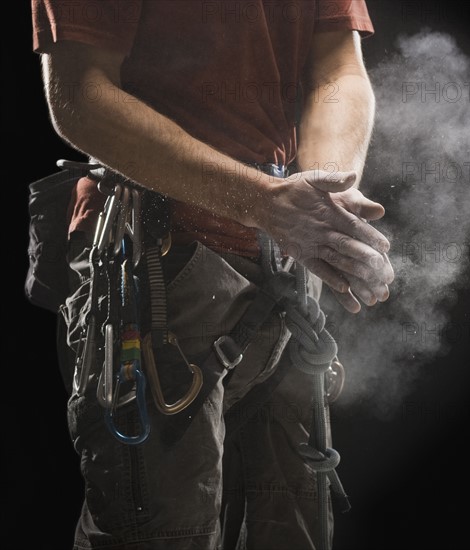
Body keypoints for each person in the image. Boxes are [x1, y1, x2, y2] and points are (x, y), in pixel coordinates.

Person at [31, 1, 394, 548]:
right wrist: (269, 204)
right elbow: (81, 96)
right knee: (158, 532)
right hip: (157, 261)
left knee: (294, 523)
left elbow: (337, 67)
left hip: (284, 257)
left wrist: (327, 199)